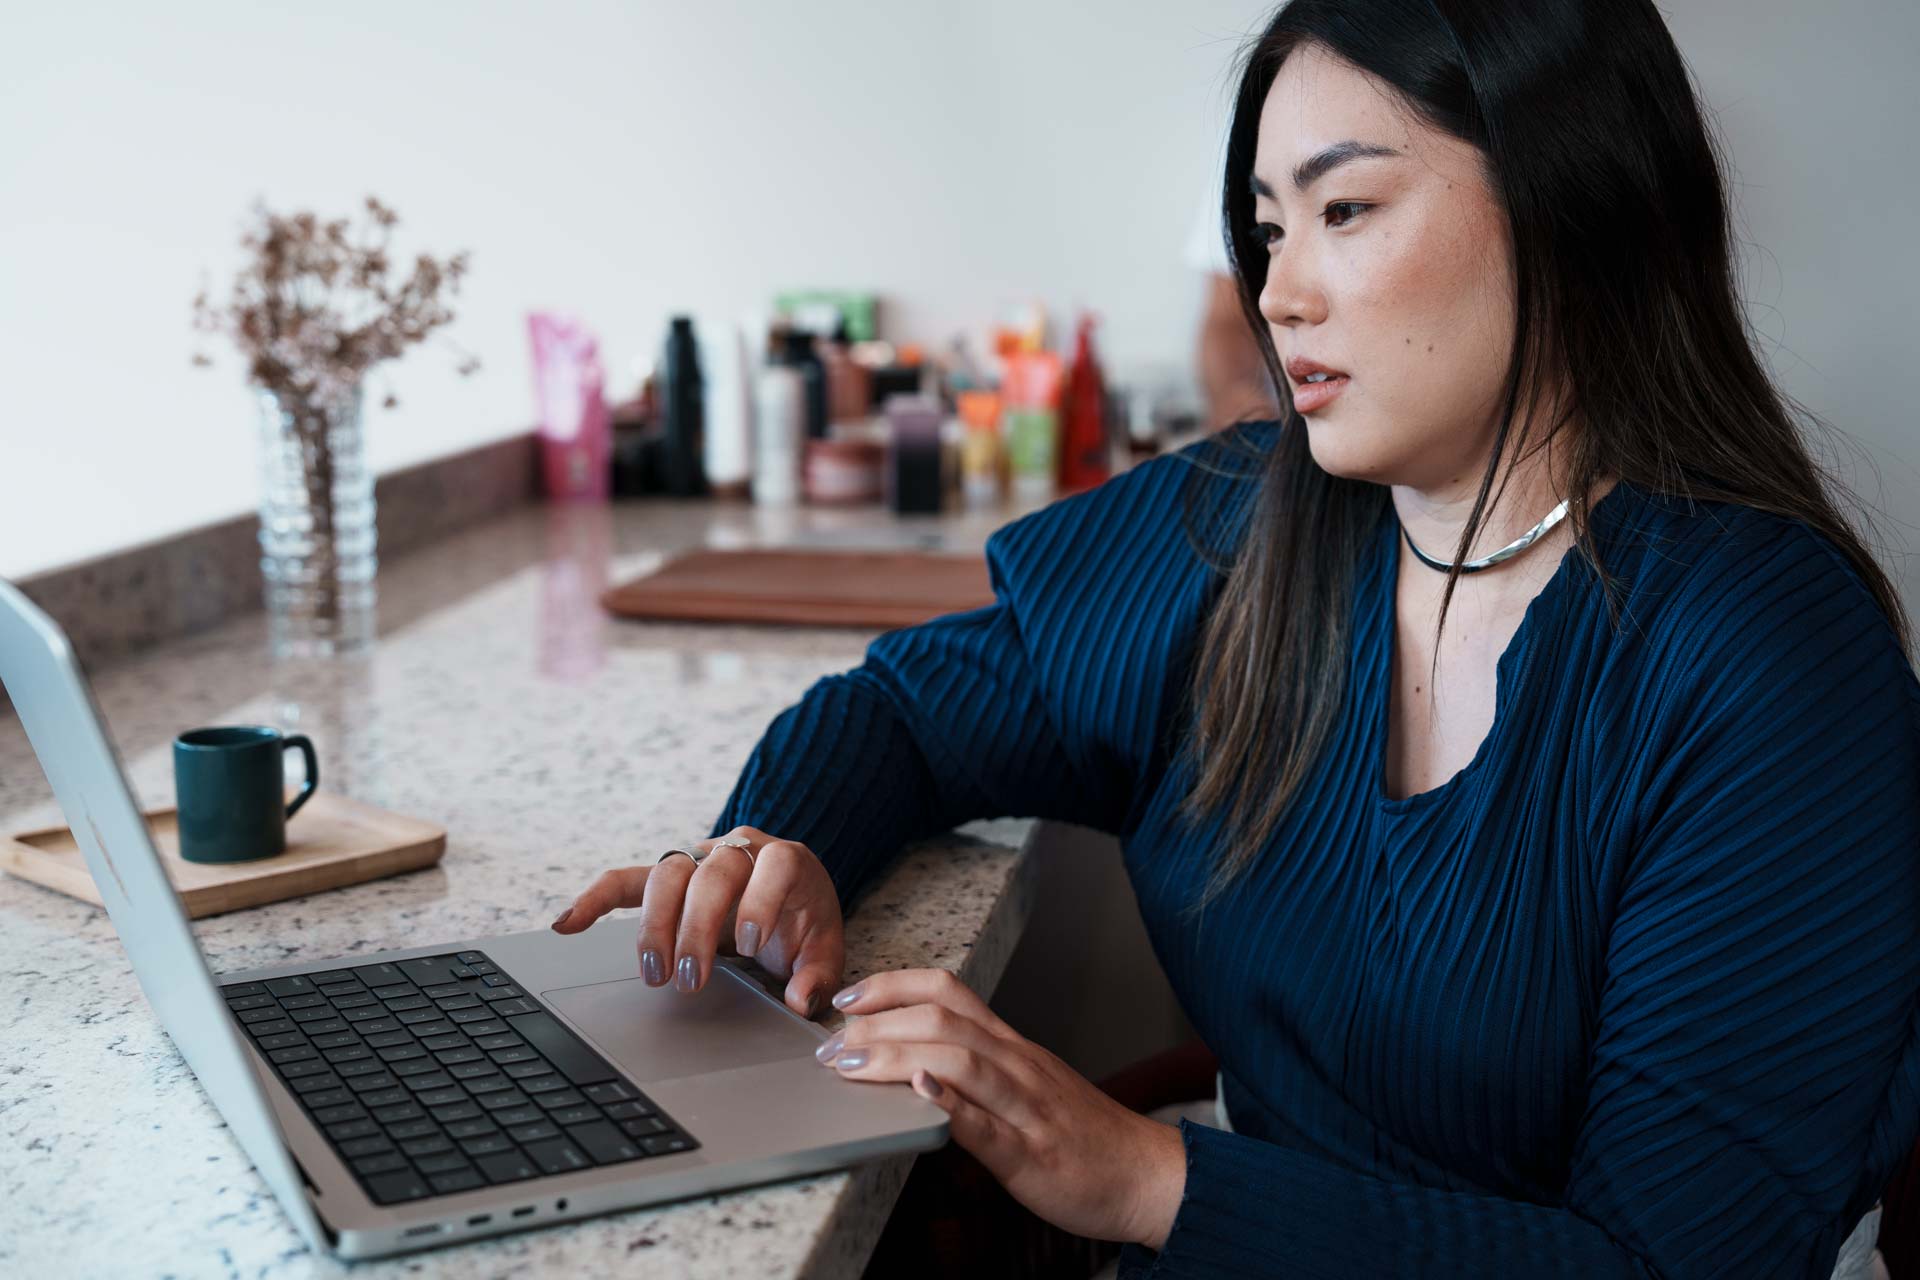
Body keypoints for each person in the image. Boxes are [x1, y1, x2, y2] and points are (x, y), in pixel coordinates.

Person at [552, 1, 1920, 1275]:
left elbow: (1670, 1267)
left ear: (1574, 211)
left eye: (1347, 208)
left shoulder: (1769, 664)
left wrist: (1147, 1180)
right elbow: (906, 709)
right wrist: (772, 854)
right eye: (1268, 227)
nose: (1277, 291)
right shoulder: (1248, 521)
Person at [1187, 169, 1282, 429]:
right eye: (1272, 231)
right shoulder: (1239, 151)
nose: (1274, 304)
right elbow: (1228, 319)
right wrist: (1238, 399)